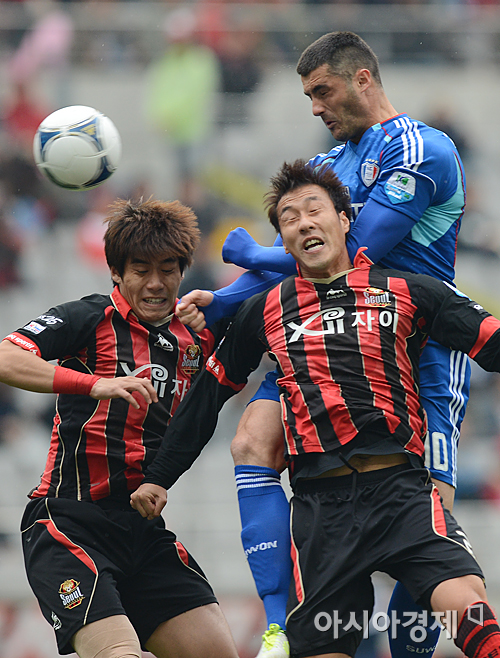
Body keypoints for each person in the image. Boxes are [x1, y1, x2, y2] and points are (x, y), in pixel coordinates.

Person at [176, 30, 469, 658]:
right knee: (252, 439)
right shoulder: (329, 168)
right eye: (307, 95)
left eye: (321, 91)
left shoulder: (422, 147)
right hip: (321, 340)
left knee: (431, 522)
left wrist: (255, 249)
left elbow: (358, 244)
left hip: (418, 351)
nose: (314, 106)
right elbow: (303, 248)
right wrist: (224, 299)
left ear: (362, 77)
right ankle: (282, 624)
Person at [132, 159, 500, 658]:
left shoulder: (409, 290)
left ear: (345, 221)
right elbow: (207, 397)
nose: (303, 222)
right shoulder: (263, 311)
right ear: (283, 243)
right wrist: (159, 476)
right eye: (288, 217)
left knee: (470, 610)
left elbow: (492, 345)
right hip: (322, 513)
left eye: (314, 209)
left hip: (403, 495)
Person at [0, 198, 238, 658]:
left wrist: (222, 303)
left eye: (168, 269)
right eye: (141, 270)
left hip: (141, 531)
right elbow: (7, 359)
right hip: (67, 524)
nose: (155, 283)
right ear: (116, 272)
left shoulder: (198, 334)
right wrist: (95, 385)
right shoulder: (84, 318)